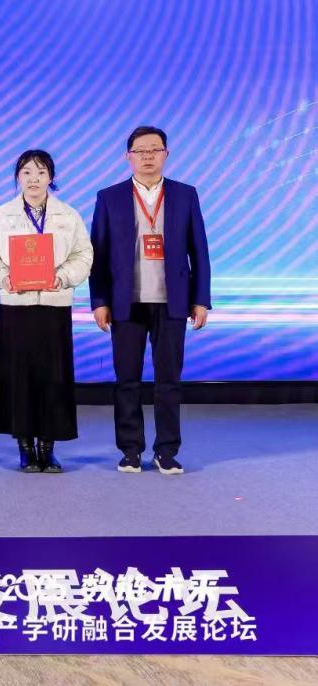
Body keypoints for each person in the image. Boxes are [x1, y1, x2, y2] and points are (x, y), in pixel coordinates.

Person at [89, 126, 210, 475]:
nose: (147, 156)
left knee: (168, 381)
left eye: (154, 150)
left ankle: (166, 451)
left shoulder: (185, 194)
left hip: (172, 302)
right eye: (140, 151)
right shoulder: (109, 197)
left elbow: (199, 250)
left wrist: (201, 299)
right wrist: (99, 300)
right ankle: (130, 450)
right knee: (126, 380)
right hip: (125, 302)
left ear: (166, 155)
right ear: (128, 157)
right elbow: (98, 253)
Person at [0, 150, 93, 473]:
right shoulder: (1, 215)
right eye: (27, 172)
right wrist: (3, 277)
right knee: (20, 378)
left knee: (53, 378)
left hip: (54, 306)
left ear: (51, 177)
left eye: (41, 172)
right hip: (16, 307)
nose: (34, 179)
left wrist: (63, 276)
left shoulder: (68, 215)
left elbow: (84, 254)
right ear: (18, 177)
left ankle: (48, 449)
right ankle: (25, 447)